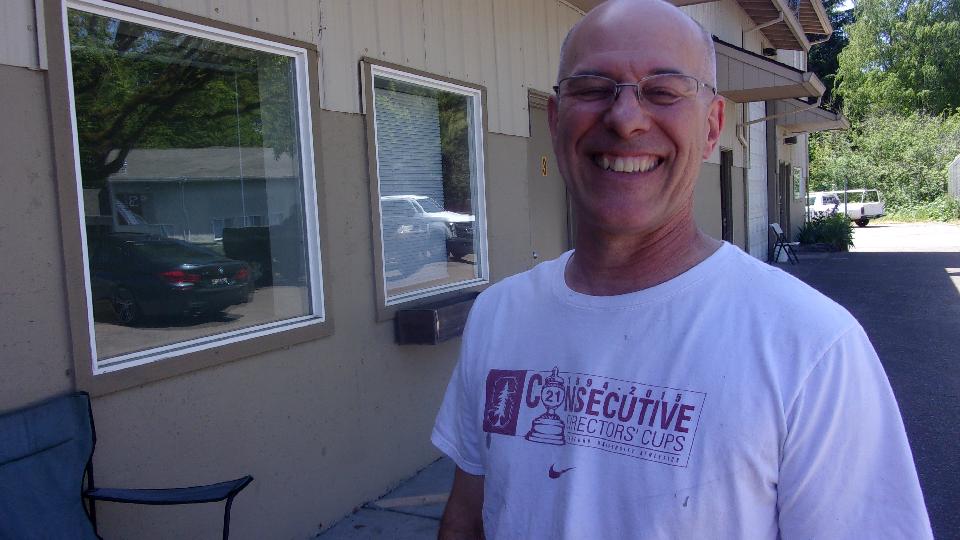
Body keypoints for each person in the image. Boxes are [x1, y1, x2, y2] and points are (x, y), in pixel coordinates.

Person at [431, 0, 932, 538]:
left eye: (664, 91)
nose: (625, 119)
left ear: (713, 126)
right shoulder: (500, 315)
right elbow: (466, 519)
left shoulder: (812, 348)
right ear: (555, 122)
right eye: (593, 88)